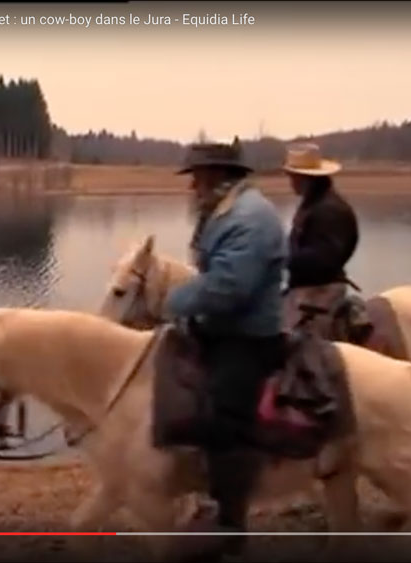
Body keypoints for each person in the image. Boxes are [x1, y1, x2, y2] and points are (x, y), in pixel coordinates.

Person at [164, 139, 286, 553]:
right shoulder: (223, 212)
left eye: (196, 177)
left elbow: (227, 288)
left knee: (223, 415)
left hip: (248, 336)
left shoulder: (249, 219)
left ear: (218, 177)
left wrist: (174, 301)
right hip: (221, 328)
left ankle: (230, 522)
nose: (191, 186)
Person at [282, 143, 360, 339]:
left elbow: (323, 259)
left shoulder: (329, 210)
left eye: (293, 177)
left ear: (305, 178)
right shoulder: (316, 203)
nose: (290, 182)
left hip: (320, 292)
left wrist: (281, 257)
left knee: (289, 341)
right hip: (306, 287)